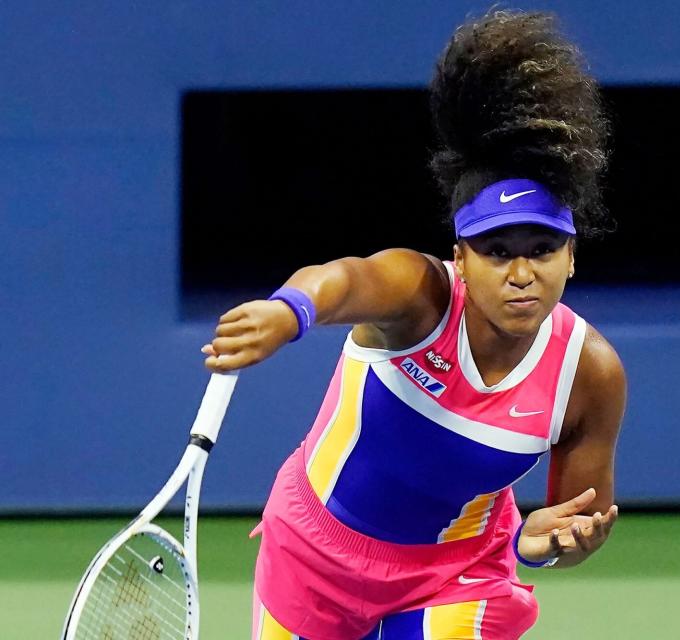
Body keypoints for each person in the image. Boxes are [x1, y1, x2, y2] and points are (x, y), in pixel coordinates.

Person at [203, 10, 626, 639]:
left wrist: (545, 546)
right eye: (496, 250)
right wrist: (287, 311)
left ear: (571, 256)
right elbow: (344, 279)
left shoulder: (588, 373)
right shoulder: (419, 296)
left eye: (541, 249)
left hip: (459, 575)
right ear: (460, 257)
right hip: (313, 556)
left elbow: (571, 527)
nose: (520, 272)